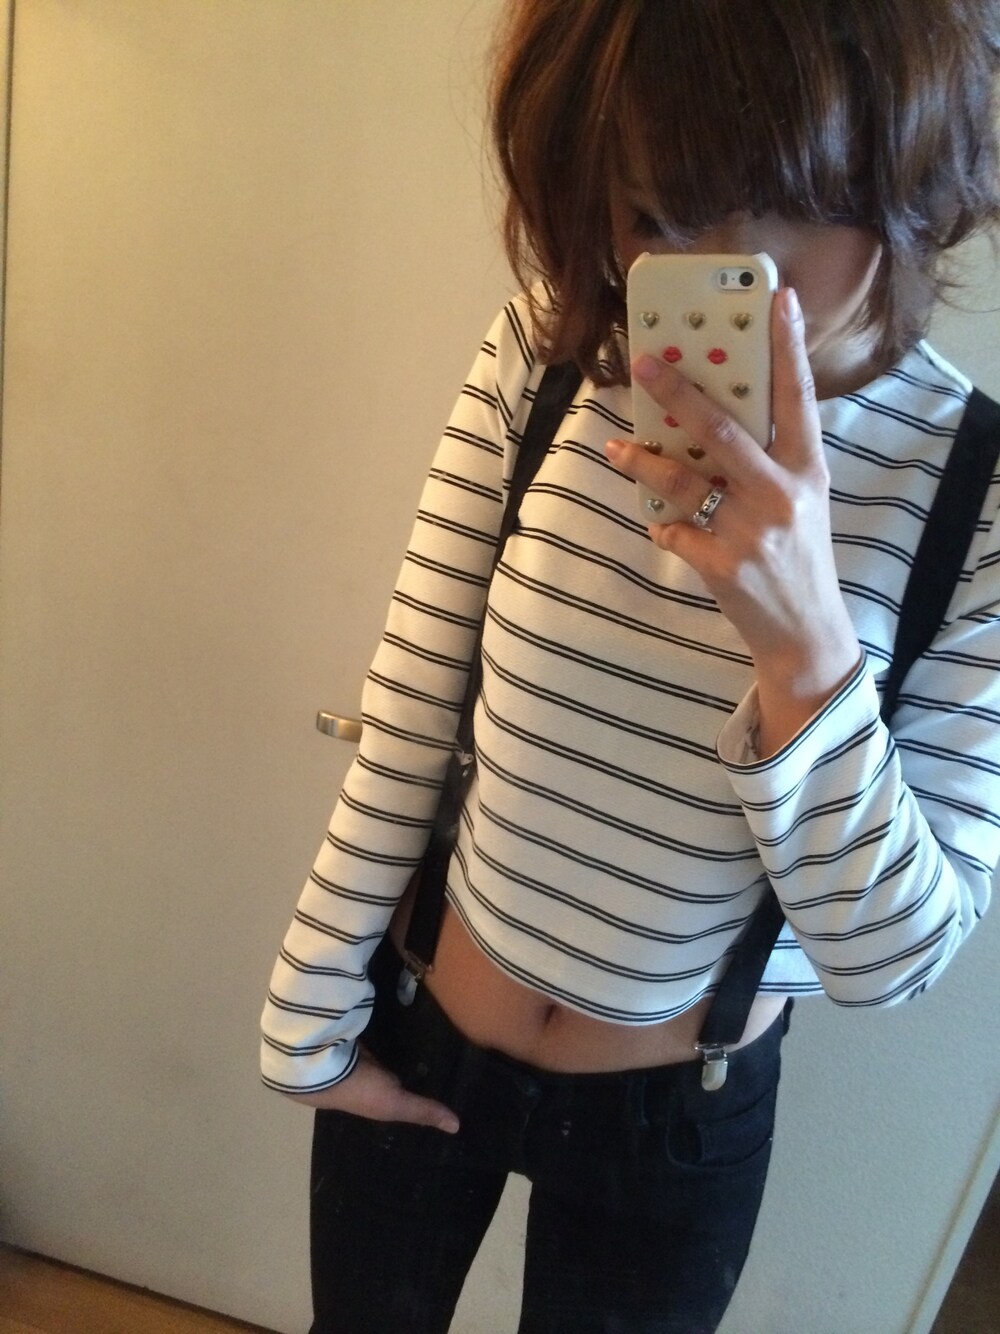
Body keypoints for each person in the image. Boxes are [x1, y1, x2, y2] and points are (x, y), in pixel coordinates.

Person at [261, 2, 1000, 1331]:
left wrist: (805, 647)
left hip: (677, 1121)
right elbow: (414, 701)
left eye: (789, 202)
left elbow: (893, 957)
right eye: (658, 211)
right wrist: (311, 1001)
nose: (720, 274)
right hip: (425, 1031)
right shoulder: (545, 352)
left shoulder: (979, 498)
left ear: (911, 180)